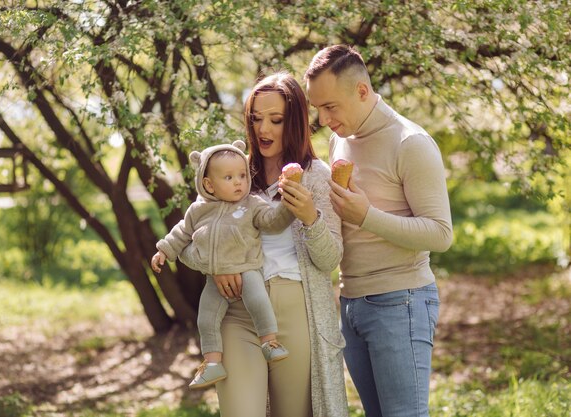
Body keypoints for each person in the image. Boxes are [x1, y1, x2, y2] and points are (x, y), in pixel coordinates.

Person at [180, 72, 349, 417]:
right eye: (256, 119)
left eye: (276, 120)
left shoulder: (317, 176)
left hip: (295, 310)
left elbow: (329, 259)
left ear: (297, 121)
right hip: (238, 311)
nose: (263, 130)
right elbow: (186, 236)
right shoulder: (233, 173)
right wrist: (214, 266)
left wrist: (310, 218)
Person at [305, 44, 453, 417]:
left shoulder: (410, 143)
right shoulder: (342, 137)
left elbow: (440, 233)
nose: (323, 119)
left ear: (361, 91)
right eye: (318, 108)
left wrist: (367, 215)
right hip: (351, 302)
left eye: (330, 107)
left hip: (399, 301)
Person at [151, 141, 293, 389]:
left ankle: (269, 342)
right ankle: (212, 362)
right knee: (205, 318)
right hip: (213, 280)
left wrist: (289, 208)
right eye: (229, 177)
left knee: (258, 300)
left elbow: (272, 221)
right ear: (208, 184)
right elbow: (181, 233)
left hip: (247, 269)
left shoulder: (251, 205)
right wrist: (164, 249)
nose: (239, 182)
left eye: (242, 175)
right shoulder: (198, 210)